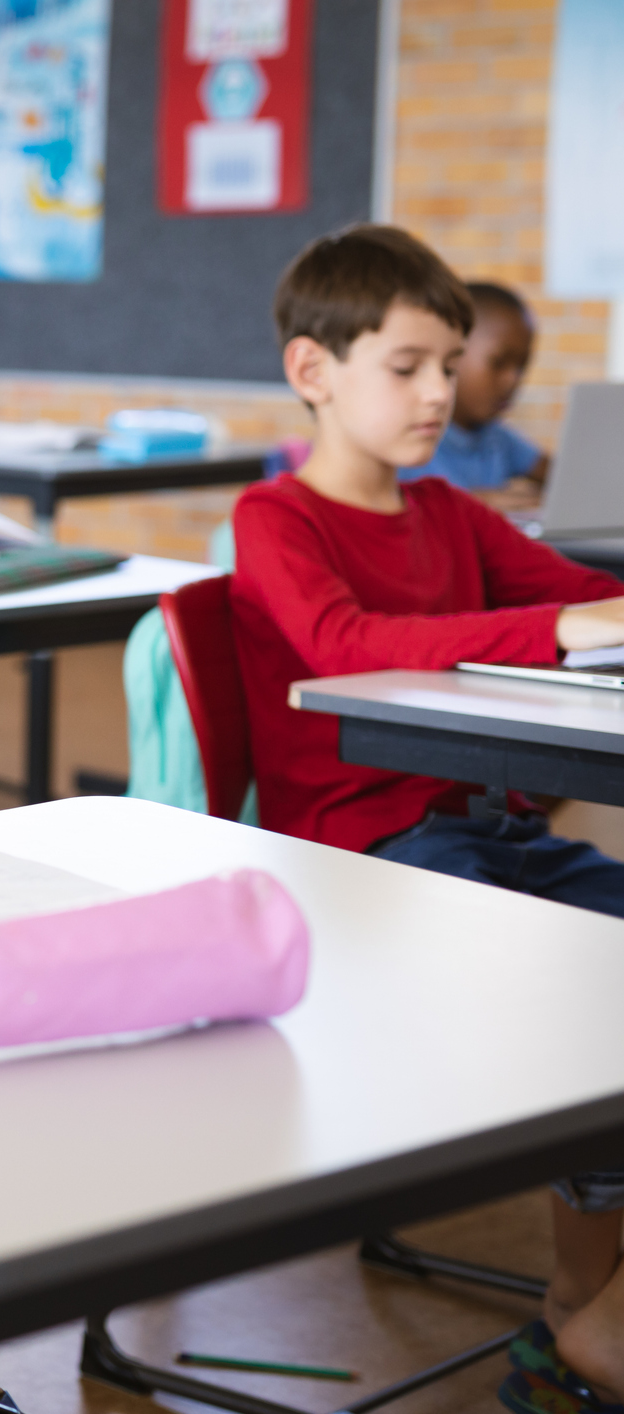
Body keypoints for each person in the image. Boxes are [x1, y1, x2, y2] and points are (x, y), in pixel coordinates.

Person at [225, 225, 624, 1414]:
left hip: (485, 835)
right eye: (407, 366)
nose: (441, 392)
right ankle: (585, 1315)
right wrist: (559, 629)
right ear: (313, 370)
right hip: (368, 862)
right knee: (590, 989)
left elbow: (591, 598)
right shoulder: (276, 517)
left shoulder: (449, 512)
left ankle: (584, 1314)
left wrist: (591, 614)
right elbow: (341, 642)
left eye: (450, 364)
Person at [399, 280, 547, 512]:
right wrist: (473, 504)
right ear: (453, 356)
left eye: (521, 366)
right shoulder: (408, 438)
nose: (513, 380)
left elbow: (561, 474)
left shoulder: (498, 438)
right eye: (499, 363)